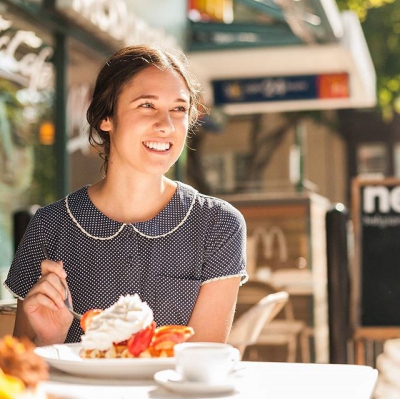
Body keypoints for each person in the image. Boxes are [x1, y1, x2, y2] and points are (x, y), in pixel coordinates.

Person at [4, 44, 248, 347]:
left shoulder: (218, 225)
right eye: (147, 105)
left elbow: (200, 363)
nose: (166, 125)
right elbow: (23, 372)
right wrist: (49, 340)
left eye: (179, 109)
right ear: (106, 117)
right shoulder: (49, 226)